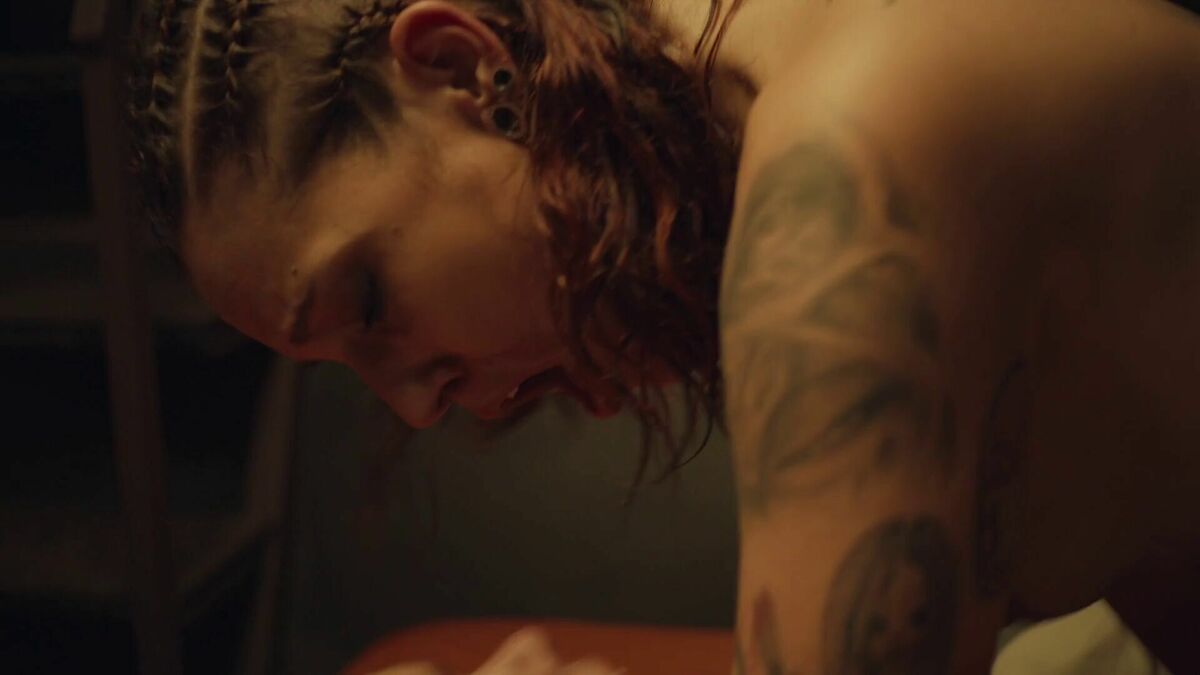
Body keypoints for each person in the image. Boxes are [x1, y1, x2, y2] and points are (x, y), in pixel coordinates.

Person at [129, 0, 1200, 672]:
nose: (419, 403)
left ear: (461, 66)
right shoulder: (777, 87)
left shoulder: (850, 169)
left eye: (368, 304)